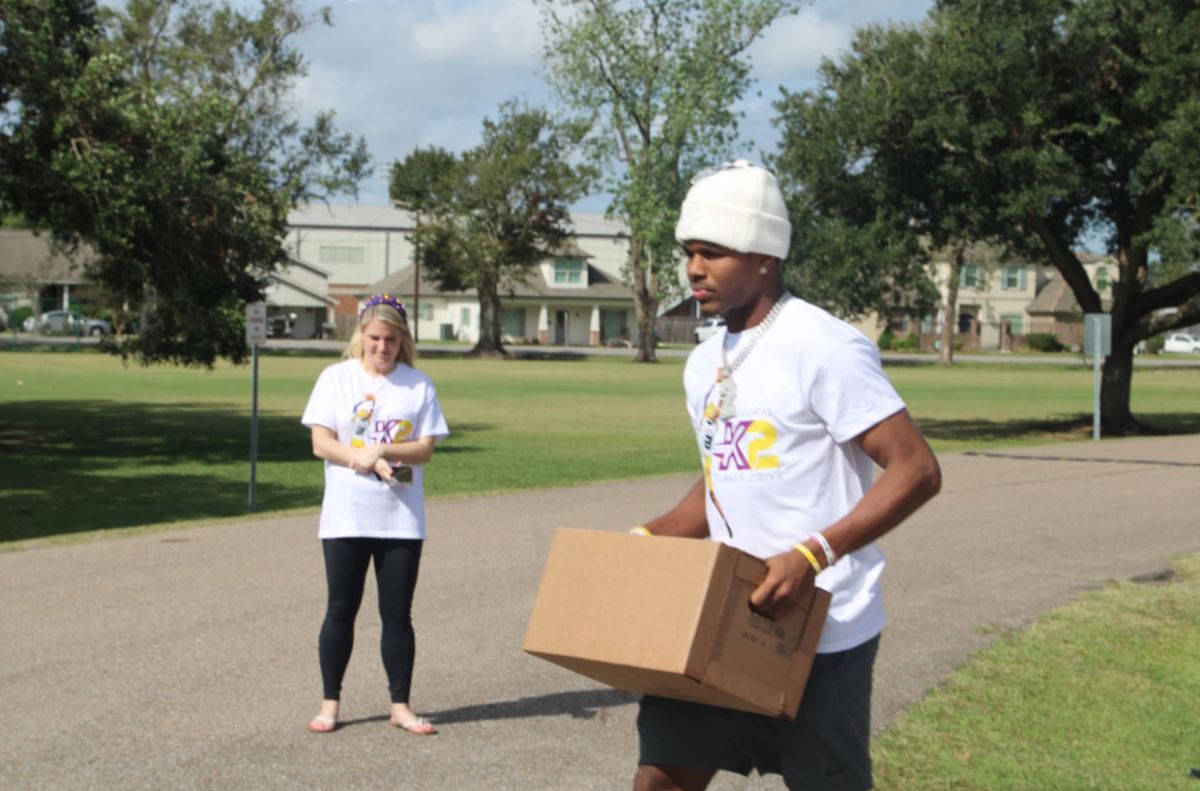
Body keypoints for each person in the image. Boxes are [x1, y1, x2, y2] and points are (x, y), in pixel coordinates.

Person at [630, 161, 942, 791]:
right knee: (660, 778)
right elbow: (725, 478)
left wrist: (812, 553)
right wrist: (646, 540)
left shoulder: (824, 347)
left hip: (820, 632)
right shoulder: (701, 362)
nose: (694, 269)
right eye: (689, 252)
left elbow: (917, 468)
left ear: (765, 255)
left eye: (712, 253)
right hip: (718, 618)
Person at [300, 294, 449, 735]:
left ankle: (400, 706)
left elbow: (423, 449)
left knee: (398, 615)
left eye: (390, 339)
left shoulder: (418, 385)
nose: (381, 347)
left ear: (402, 339)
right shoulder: (335, 379)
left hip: (400, 519)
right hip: (346, 517)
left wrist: (383, 449)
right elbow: (320, 442)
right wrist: (359, 458)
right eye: (374, 339)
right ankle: (330, 704)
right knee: (340, 610)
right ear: (360, 337)